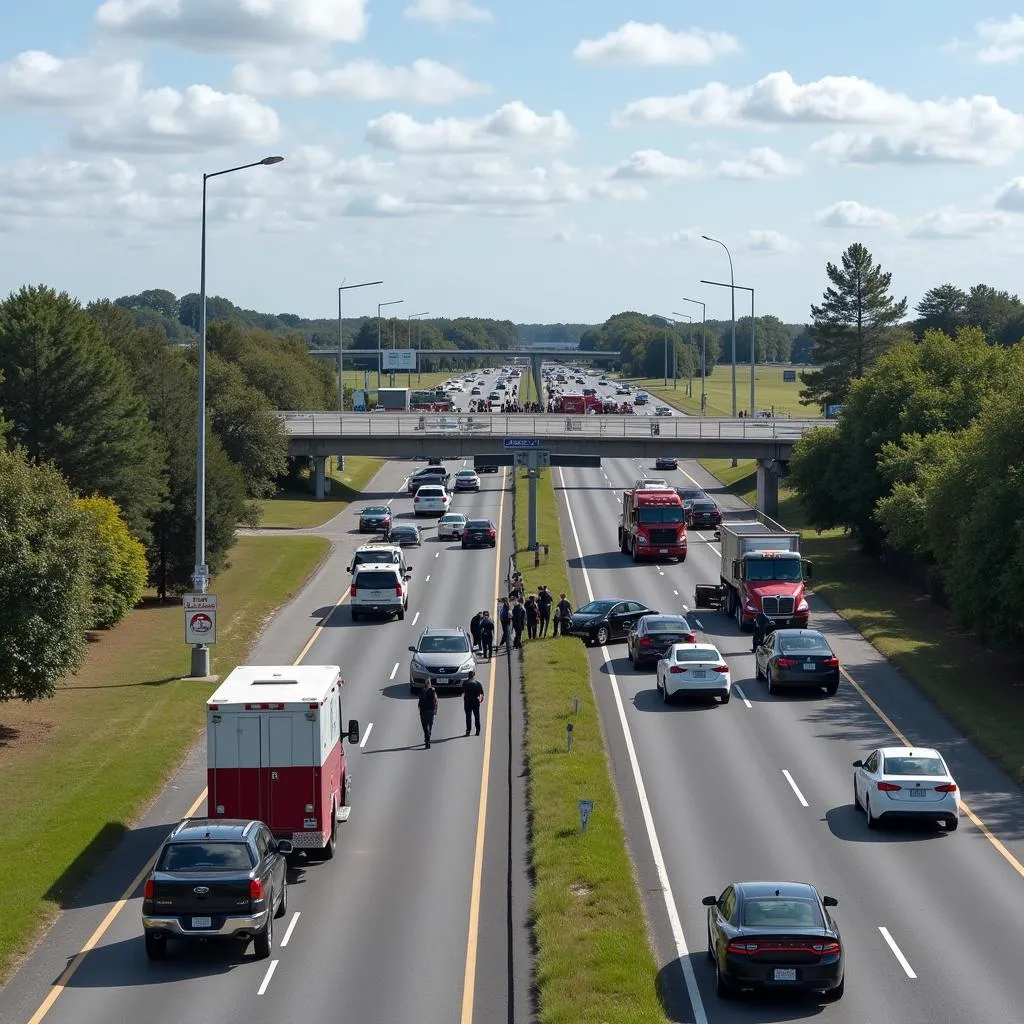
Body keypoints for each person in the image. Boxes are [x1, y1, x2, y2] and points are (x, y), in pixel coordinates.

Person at [417, 678, 438, 749]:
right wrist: (436, 709)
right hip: (430, 710)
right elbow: (435, 700)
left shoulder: (421, 691)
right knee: (430, 724)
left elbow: (419, 701)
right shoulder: (433, 691)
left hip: (423, 711)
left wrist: (419, 708)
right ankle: (428, 736)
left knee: (425, 726)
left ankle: (427, 739)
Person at [462, 670, 484, 736]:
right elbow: (482, 693)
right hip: (475, 702)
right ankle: (477, 730)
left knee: (468, 716)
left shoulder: (465, 683)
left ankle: (468, 730)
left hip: (467, 702)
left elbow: (463, 691)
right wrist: (480, 700)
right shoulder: (478, 683)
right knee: (477, 716)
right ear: (474, 675)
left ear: (468, 676)